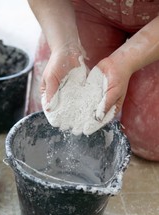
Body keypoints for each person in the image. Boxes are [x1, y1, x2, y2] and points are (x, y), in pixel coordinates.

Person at [27, 0, 159, 161]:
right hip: (89, 6)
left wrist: (125, 61)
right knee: (46, 121)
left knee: (149, 139)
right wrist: (64, 46)